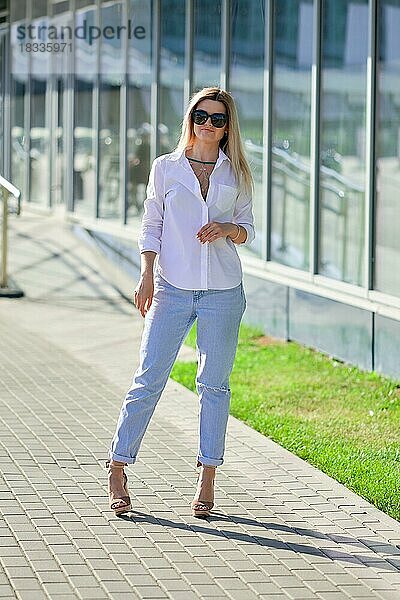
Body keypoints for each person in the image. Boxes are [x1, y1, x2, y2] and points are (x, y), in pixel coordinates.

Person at [106, 86, 255, 518]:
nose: (209, 125)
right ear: (191, 119)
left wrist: (228, 228)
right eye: (202, 116)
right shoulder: (166, 168)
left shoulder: (238, 172)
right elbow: (151, 223)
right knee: (149, 378)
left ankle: (207, 477)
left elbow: (247, 228)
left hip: (224, 291)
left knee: (214, 385)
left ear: (228, 128)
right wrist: (146, 273)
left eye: (218, 119)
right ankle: (118, 466)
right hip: (171, 287)